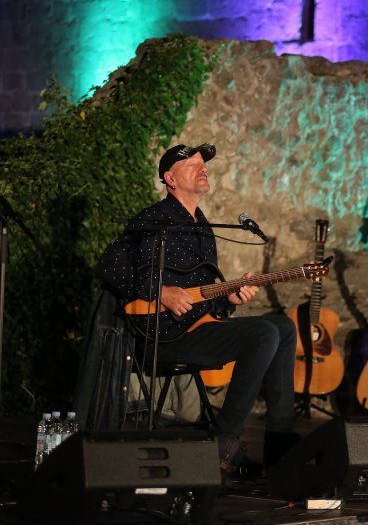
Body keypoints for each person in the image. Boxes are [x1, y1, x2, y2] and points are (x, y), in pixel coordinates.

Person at [97, 142, 300, 476]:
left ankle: (279, 446)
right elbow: (109, 265)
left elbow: (204, 298)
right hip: (159, 336)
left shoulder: (203, 227)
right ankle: (224, 440)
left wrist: (230, 300)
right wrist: (161, 293)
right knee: (263, 333)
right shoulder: (154, 218)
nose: (202, 168)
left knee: (284, 327)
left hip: (195, 329)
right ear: (170, 179)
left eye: (203, 164)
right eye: (191, 165)